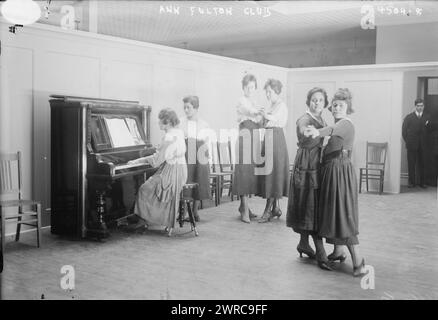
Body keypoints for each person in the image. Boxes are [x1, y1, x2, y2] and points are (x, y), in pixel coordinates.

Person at [305, 88, 366, 276]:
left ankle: (359, 263)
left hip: (339, 171)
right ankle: (339, 251)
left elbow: (331, 130)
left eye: (341, 105)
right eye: (335, 105)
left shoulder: (345, 124)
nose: (337, 107)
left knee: (341, 213)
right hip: (333, 170)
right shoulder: (339, 123)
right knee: (334, 211)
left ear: (347, 108)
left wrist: (317, 131)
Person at [286, 87, 331, 270]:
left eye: (320, 100)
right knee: (309, 206)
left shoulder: (321, 119)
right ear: (308, 102)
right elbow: (304, 129)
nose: (317, 103)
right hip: (306, 165)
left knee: (309, 205)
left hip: (315, 164)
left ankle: (304, 244)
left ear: (324, 103)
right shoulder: (305, 119)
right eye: (314, 100)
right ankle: (321, 252)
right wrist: (308, 132)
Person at [130, 108, 187, 231]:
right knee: (149, 185)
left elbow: (156, 161)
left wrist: (138, 160)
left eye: (160, 120)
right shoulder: (178, 132)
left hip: (171, 173)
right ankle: (143, 217)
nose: (158, 123)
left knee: (144, 189)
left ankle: (142, 220)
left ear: (166, 122)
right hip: (181, 171)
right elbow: (165, 153)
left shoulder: (168, 136)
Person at [257, 79, 290, 223]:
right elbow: (266, 123)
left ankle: (267, 211)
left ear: (277, 91)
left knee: (273, 173)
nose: (267, 94)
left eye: (269, 92)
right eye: (267, 92)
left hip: (276, 139)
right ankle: (275, 208)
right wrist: (263, 119)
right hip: (269, 137)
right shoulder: (272, 105)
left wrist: (266, 117)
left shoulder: (282, 106)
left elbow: (277, 120)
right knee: (270, 173)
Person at [232, 74, 262, 223]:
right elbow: (249, 111)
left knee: (250, 172)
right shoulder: (241, 101)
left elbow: (259, 120)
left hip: (254, 137)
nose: (250, 89)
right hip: (245, 137)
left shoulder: (255, 101)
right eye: (247, 87)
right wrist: (257, 112)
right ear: (243, 88)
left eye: (252, 87)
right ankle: (244, 207)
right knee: (243, 172)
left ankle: (244, 206)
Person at [180, 95, 211, 222]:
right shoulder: (181, 122)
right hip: (186, 153)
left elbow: (207, 143)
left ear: (196, 108)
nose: (186, 110)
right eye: (185, 108)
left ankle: (195, 211)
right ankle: (184, 212)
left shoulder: (204, 124)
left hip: (199, 154)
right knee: (187, 179)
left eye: (189, 107)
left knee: (199, 178)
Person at [402, 98, 430, 188]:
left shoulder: (427, 117)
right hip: (411, 145)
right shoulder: (409, 117)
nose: (420, 107)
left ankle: (422, 183)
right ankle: (411, 182)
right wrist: (408, 141)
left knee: (423, 164)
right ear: (415, 106)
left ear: (424, 106)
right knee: (411, 164)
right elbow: (404, 131)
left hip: (423, 145)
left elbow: (430, 131)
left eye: (421, 105)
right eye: (418, 106)